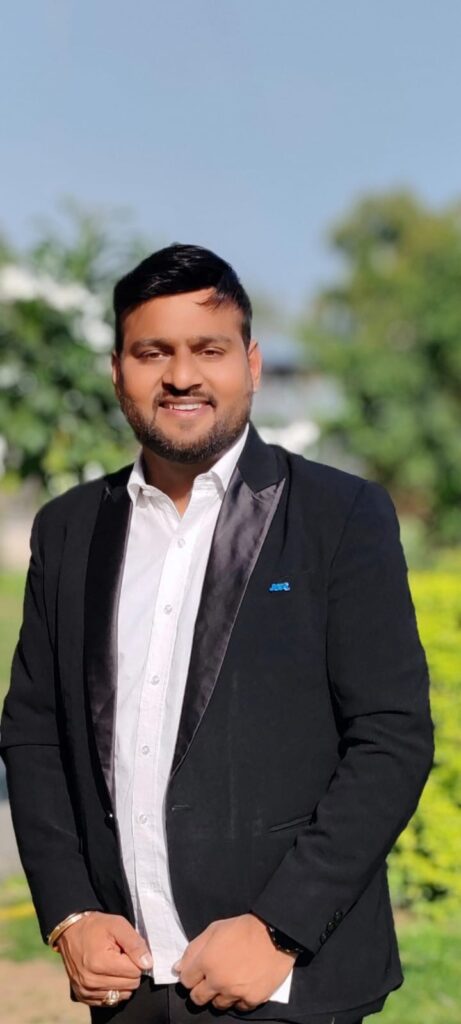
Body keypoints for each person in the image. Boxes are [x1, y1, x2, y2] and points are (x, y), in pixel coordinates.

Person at [1, 244, 433, 1024]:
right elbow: (33, 732)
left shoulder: (338, 515)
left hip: (284, 981)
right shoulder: (69, 529)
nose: (181, 376)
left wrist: (279, 927)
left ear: (251, 364)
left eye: (208, 349)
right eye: (152, 352)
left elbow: (390, 736)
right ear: (117, 370)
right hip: (126, 979)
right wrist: (70, 912)